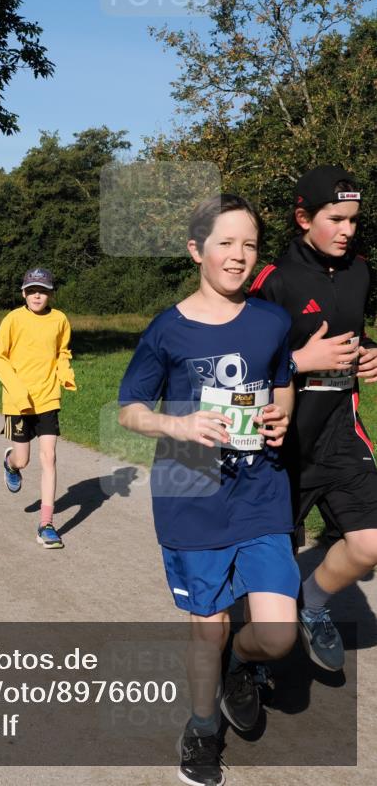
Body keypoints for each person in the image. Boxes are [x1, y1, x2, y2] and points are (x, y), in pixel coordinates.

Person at [118, 195, 298, 786]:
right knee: (208, 624)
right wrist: (177, 424)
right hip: (189, 489)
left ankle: (241, 669)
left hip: (261, 489)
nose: (239, 255)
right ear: (197, 249)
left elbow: (281, 382)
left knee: (276, 632)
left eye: (249, 244)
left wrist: (280, 415)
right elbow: (129, 410)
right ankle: (201, 728)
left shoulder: (271, 320)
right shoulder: (167, 328)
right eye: (226, 242)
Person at [249, 165, 377, 672]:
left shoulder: (360, 270)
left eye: (353, 221)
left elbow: (354, 337)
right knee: (267, 567)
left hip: (341, 431)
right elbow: (241, 365)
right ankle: (248, 659)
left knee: (369, 545)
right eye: (335, 219)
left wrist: (370, 353)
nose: (347, 230)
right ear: (304, 217)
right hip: (282, 442)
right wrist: (301, 360)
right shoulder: (271, 282)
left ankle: (315, 604)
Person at [0, 267, 77, 548]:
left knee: (49, 457)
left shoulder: (60, 320)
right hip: (17, 402)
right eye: (32, 290)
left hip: (48, 398)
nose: (37, 295)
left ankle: (46, 525)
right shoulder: (13, 319)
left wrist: (64, 373)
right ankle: (10, 464)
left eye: (42, 290)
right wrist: (16, 389)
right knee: (23, 459)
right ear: (23, 293)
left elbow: (62, 352)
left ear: (50, 293)